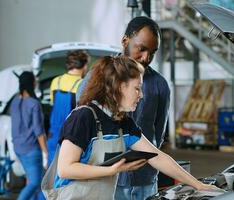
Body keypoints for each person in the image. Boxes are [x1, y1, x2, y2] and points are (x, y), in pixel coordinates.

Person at [41, 56, 221, 200]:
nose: (141, 95)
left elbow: (158, 157)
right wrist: (112, 171)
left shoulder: (123, 123)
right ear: (119, 87)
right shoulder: (83, 117)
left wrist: (198, 185)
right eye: (137, 89)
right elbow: (66, 169)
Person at [76, 16, 170, 199]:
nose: (146, 58)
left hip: (146, 179)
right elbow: (83, 126)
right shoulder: (97, 78)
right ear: (125, 41)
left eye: (153, 52)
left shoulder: (159, 85)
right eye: (141, 49)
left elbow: (158, 133)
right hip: (108, 179)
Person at [47, 50, 90, 165]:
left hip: (53, 134)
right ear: (84, 65)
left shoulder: (56, 81)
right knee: (68, 173)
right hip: (71, 135)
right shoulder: (83, 84)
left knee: (52, 173)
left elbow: (52, 106)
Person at [10, 71, 48, 200]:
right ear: (32, 83)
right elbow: (39, 131)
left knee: (34, 182)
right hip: (31, 149)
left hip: (18, 147)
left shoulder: (15, 101)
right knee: (35, 183)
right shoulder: (33, 103)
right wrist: (45, 153)